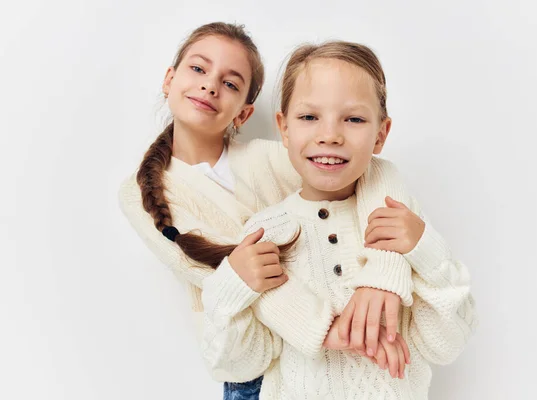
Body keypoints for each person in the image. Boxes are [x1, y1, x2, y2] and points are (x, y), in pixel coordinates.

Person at [119, 23, 413, 399]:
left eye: (231, 83)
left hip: (322, 368)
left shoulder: (269, 157)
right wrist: (325, 328)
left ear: (244, 113)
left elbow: (369, 170)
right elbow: (221, 275)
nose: (210, 85)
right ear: (169, 79)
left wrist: (383, 272)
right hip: (253, 364)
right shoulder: (139, 193)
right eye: (198, 68)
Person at [199, 41, 478, 399]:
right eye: (309, 117)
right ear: (283, 128)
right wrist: (229, 287)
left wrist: (427, 250)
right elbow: (238, 366)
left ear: (381, 134)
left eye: (355, 119)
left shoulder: (401, 225)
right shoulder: (266, 233)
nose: (330, 135)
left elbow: (447, 345)